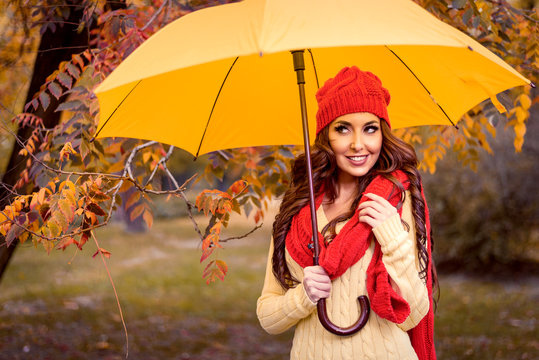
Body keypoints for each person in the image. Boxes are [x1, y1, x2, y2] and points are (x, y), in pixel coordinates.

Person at [256, 66, 437, 360]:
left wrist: (393, 237)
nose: (358, 144)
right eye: (342, 128)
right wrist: (304, 295)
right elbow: (267, 315)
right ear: (326, 136)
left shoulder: (394, 199)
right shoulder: (299, 208)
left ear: (382, 133)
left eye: (370, 129)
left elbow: (412, 315)